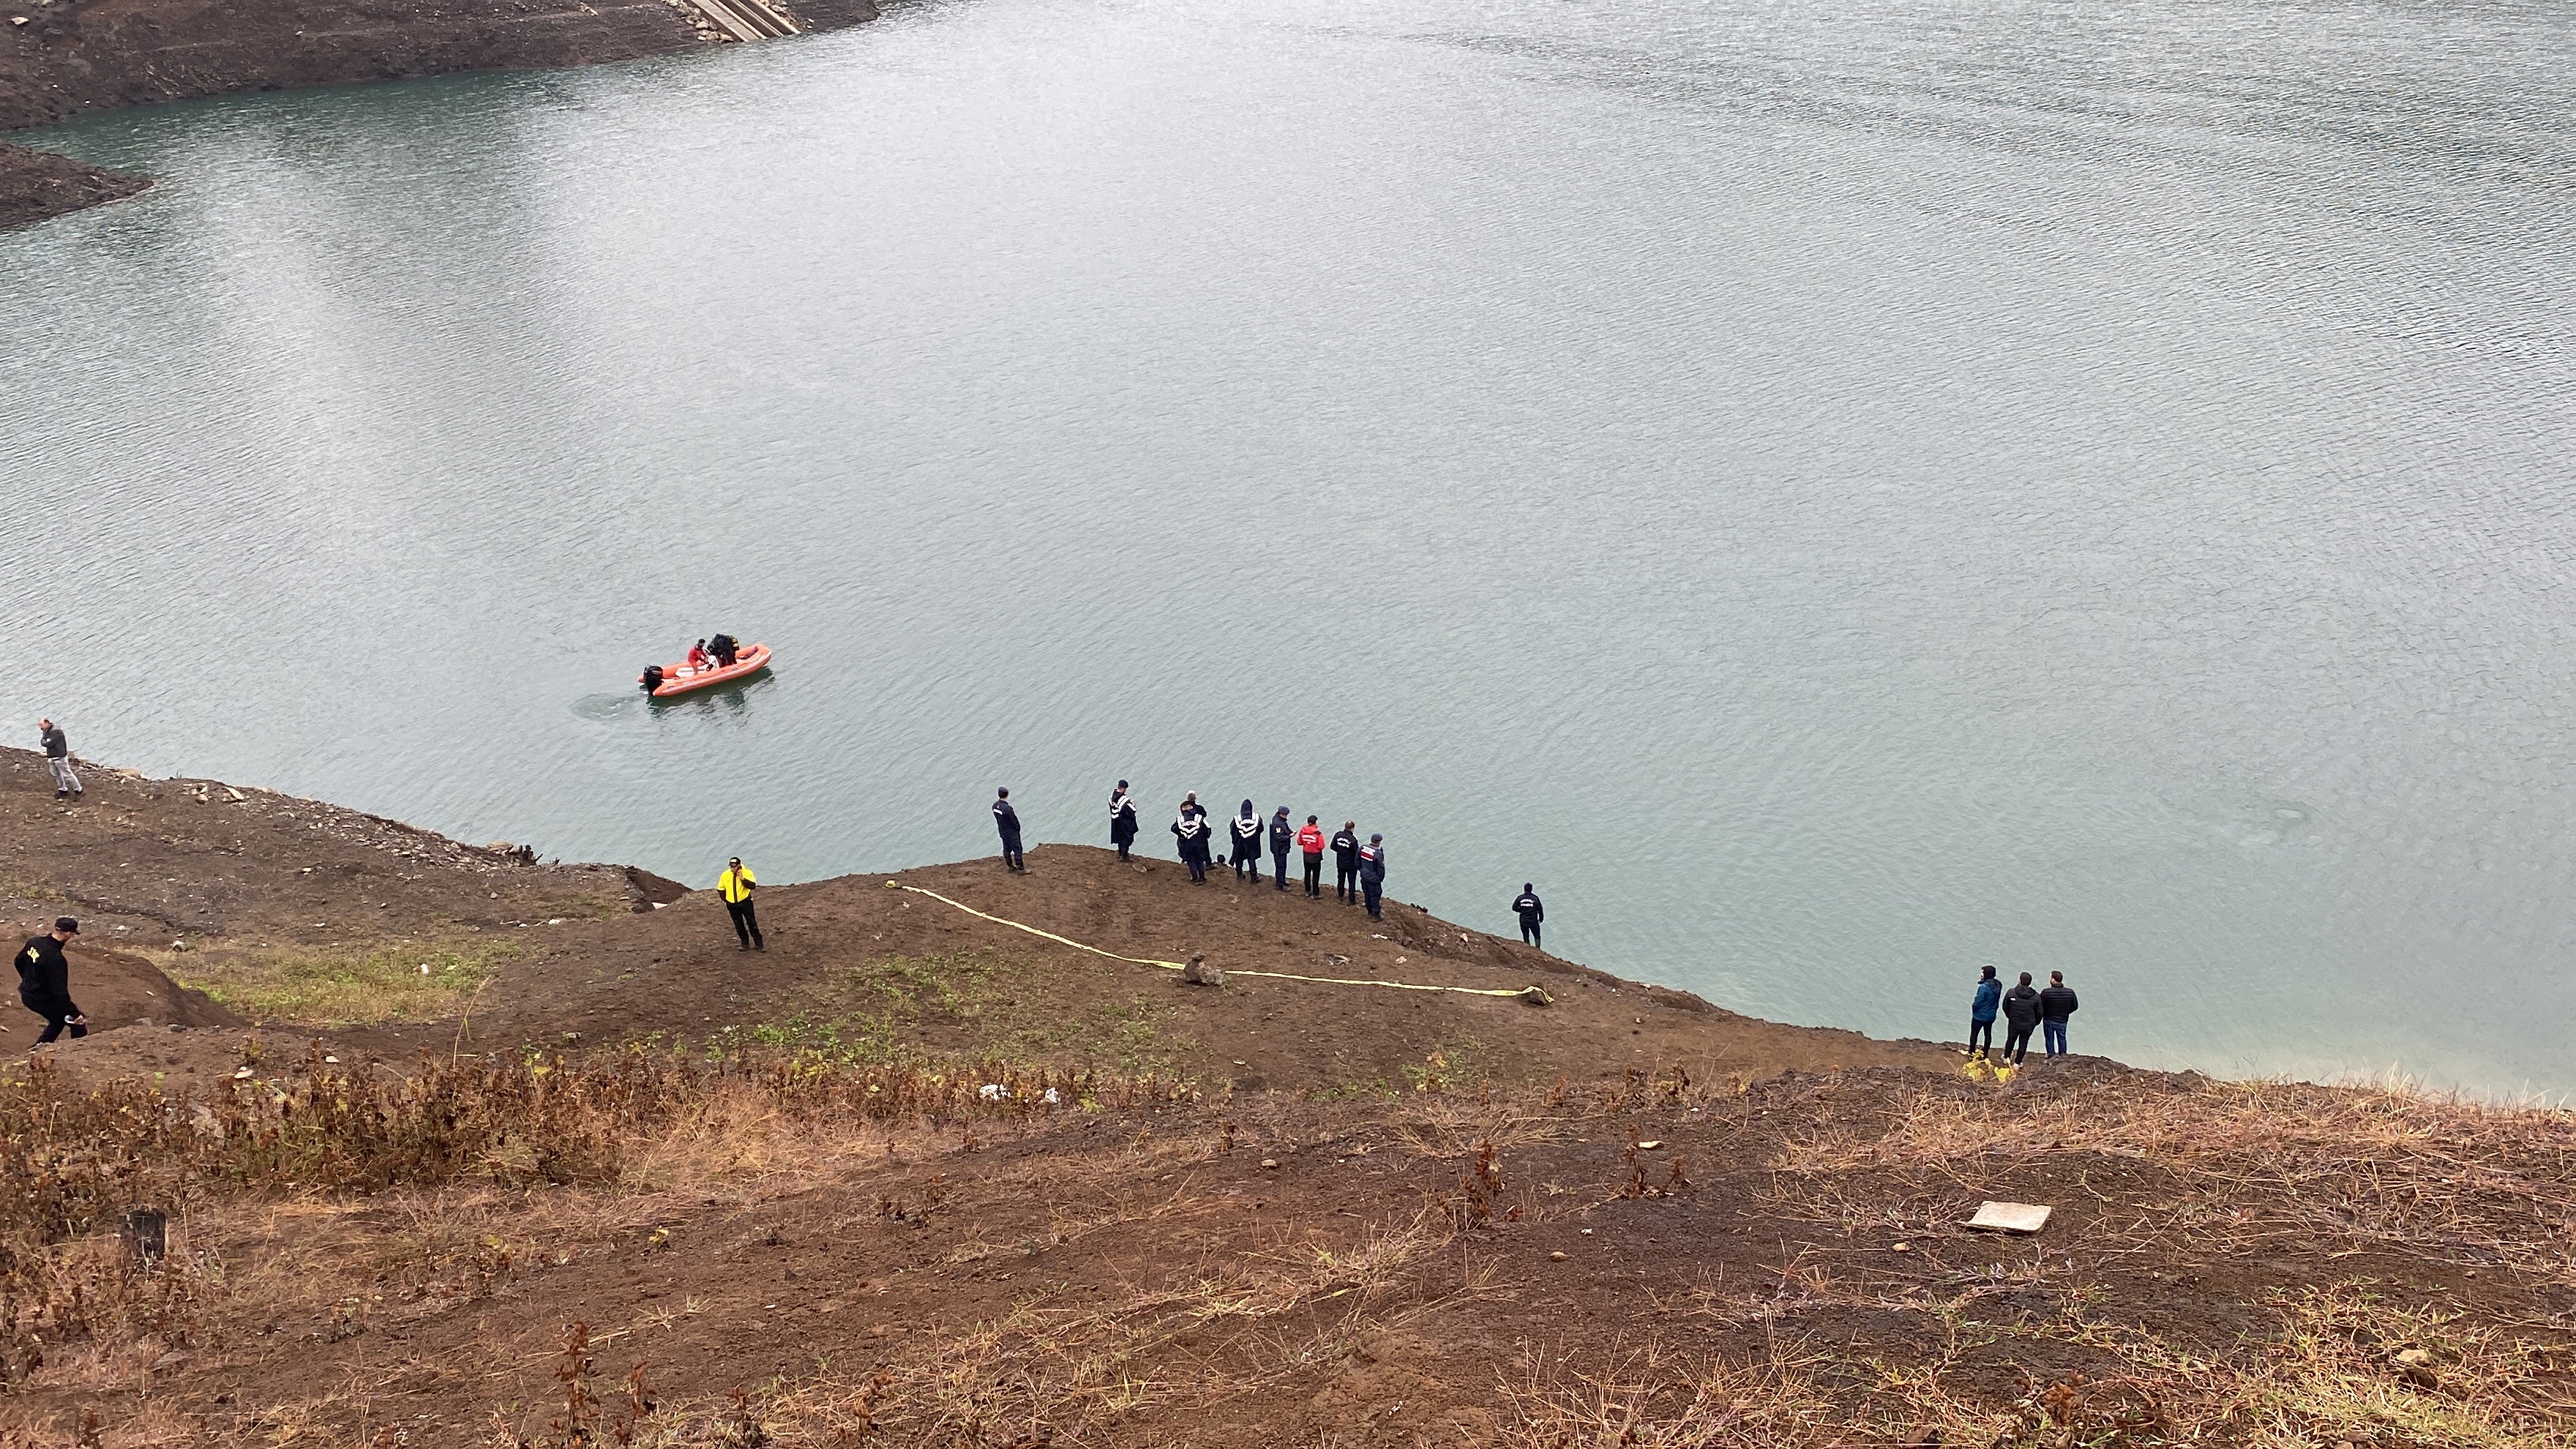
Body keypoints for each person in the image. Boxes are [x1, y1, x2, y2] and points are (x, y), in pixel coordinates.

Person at [15, 918, 86, 1044]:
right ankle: (77, 1050)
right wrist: (75, 1013)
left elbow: (18, 961)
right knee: (77, 1023)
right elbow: (60, 993)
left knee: (58, 1020)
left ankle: (38, 1048)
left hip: (27, 993)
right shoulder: (56, 959)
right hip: (41, 999)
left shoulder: (34, 943)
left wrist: (29, 980)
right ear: (69, 934)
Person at [718, 857, 763, 951]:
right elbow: (721, 889)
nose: (732, 869)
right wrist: (727, 900)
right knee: (738, 925)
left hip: (745, 903)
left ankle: (759, 944)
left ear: (739, 866)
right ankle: (745, 944)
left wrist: (742, 879)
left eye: (734, 867)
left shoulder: (747, 872)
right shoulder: (725, 875)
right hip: (732, 905)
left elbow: (752, 886)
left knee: (752, 923)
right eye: (731, 867)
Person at [2000, 971, 2043, 1065]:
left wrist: (2010, 1016)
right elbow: (2039, 1013)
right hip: (2028, 1024)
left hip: (2014, 1022)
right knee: (2023, 1043)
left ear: (2019, 980)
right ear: (2030, 983)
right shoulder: (2036, 997)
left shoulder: (2011, 993)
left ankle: (2006, 1057)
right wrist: (2035, 1023)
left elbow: (2005, 1007)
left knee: (2011, 1039)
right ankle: (2017, 1063)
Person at [1172, 795, 1213, 883]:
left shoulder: (1179, 820)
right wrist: (1204, 836)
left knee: (1191, 861)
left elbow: (1173, 829)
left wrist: (1182, 835)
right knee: (1200, 861)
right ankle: (1202, 878)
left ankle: (1195, 879)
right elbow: (1208, 828)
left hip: (1186, 844)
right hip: (1200, 843)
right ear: (1191, 808)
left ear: (1182, 810)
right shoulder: (1199, 817)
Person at [2039, 970, 2079, 1056]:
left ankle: (2051, 1055)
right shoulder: (2070, 992)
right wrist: (2066, 1012)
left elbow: (2040, 1006)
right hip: (2063, 1020)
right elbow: (2075, 1006)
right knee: (2062, 1038)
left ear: (2053, 980)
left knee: (2049, 1039)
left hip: (2048, 1019)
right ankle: (2063, 1055)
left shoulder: (2046, 992)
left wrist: (2044, 1014)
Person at [37, 719, 80, 800]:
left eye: (41, 725)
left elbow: (49, 743)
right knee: (55, 773)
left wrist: (46, 741)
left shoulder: (56, 731)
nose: (41, 728)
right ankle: (63, 790)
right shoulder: (46, 731)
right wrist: (46, 741)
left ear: (47, 723)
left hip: (60, 756)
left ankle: (78, 790)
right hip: (52, 756)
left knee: (67, 774)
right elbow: (43, 741)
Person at [1968, 966, 2000, 1059]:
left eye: (1982, 972)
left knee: (1974, 1034)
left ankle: (1972, 1053)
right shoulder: (1998, 985)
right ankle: (1985, 1053)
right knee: (1988, 1034)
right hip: (1991, 1015)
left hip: (1979, 1016)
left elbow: (1978, 1002)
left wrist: (1974, 1009)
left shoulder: (1983, 988)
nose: (1981, 974)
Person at [1229, 801, 1262, 882]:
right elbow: (1261, 829)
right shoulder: (1256, 818)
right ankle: (1254, 877)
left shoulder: (1236, 819)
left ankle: (1239, 875)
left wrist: (1235, 841)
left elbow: (1232, 830)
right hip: (1252, 842)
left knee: (1239, 858)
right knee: (1251, 859)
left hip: (1240, 842)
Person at [993, 788, 1025, 872]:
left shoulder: (995, 806)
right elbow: (1014, 821)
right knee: (1017, 849)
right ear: (1007, 795)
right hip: (1012, 833)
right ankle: (1021, 869)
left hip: (1002, 831)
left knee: (1006, 848)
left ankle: (1010, 867)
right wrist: (1018, 828)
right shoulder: (1008, 809)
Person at [1357, 834, 1387, 919]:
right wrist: (1380, 878)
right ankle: (1376, 915)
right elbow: (1380, 868)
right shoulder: (1378, 853)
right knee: (1375, 895)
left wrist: (1362, 870)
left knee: (1367, 894)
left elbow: (1357, 861)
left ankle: (1369, 912)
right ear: (1379, 842)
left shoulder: (1363, 848)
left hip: (1364, 876)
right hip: (1374, 878)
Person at [1296, 815, 1326, 898]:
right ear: (1315, 822)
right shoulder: (1318, 834)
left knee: (1307, 873)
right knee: (1316, 875)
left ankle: (1308, 890)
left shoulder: (1302, 832)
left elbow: (1299, 842)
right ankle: (1316, 893)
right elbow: (1321, 846)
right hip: (1316, 856)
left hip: (1306, 855)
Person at [1331, 821, 1360, 904]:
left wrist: (1341, 852)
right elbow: (1356, 853)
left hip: (1340, 861)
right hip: (1351, 864)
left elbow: (1332, 847)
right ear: (1352, 828)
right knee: (1351, 881)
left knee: (1341, 878)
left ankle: (1340, 894)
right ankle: (1352, 898)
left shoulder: (1338, 835)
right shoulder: (1353, 840)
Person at [1109, 782, 1139, 862]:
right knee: (1126, 838)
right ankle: (1124, 856)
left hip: (1116, 821)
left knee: (1120, 837)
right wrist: (1133, 805)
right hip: (1124, 822)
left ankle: (1120, 853)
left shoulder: (1112, 796)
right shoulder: (1124, 800)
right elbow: (1131, 811)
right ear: (1124, 788)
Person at [1268, 807, 1293, 891]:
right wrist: (1290, 836)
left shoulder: (1278, 820)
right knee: (1281, 866)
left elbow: (1284, 829)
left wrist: (1289, 831)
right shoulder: (1277, 823)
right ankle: (1280, 884)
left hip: (1281, 848)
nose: (1286, 816)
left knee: (1282, 866)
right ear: (1281, 814)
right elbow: (1279, 837)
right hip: (1279, 849)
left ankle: (1281, 880)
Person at [1513, 883, 1544, 949]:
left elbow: (1514, 908)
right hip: (1533, 921)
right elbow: (1540, 909)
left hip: (1523, 920)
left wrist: (1521, 911)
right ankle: (1538, 949)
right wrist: (1541, 919)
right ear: (1531, 889)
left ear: (1524, 889)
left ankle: (1527, 949)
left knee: (1526, 935)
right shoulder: (1535, 898)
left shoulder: (1520, 898)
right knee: (1537, 935)